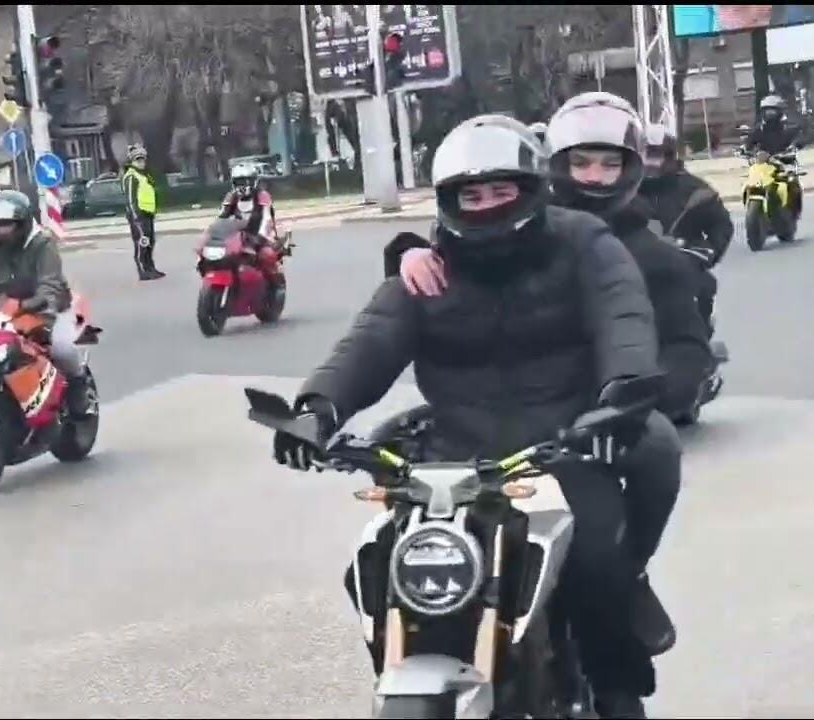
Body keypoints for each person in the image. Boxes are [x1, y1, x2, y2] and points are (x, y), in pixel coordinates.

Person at [277, 114, 666, 717]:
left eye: (500, 190)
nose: (486, 205)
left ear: (532, 189)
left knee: (598, 567)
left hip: (565, 446)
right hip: (455, 458)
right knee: (375, 567)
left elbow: (624, 316)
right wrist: (317, 409)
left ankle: (615, 691)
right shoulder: (427, 269)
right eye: (471, 195)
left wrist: (621, 395)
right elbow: (372, 339)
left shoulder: (584, 243)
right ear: (449, 201)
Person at [391, 96, 706, 631]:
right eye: (580, 162)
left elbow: (687, 348)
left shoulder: (654, 256)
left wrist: (638, 398)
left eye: (609, 164)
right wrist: (408, 251)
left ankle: (630, 574)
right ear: (552, 166)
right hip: (506, 406)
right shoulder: (521, 223)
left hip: (602, 414)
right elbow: (453, 254)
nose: (595, 176)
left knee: (656, 450)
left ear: (632, 168)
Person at [0, 190, 93, 415]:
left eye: (6, 225)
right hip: (7, 311)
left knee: (61, 349)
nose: (0, 231)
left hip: (50, 309)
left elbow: (50, 284)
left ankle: (80, 391)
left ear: (21, 224)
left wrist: (37, 303)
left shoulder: (42, 245)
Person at [639, 123, 731, 333]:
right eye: (646, 154)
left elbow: (721, 224)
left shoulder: (695, 190)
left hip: (682, 262)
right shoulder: (624, 190)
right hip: (633, 265)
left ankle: (698, 340)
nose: (650, 162)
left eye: (656, 155)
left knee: (702, 288)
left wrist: (707, 252)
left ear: (670, 156)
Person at [742, 94, 804, 220]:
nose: (770, 114)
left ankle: (793, 213)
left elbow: (799, 137)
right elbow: (750, 142)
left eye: (773, 111)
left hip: (784, 161)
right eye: (767, 111)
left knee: (793, 183)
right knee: (752, 180)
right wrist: (745, 149)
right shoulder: (759, 129)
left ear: (779, 111)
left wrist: (794, 145)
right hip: (764, 164)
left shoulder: (788, 127)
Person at [217, 164, 283, 283]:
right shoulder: (231, 196)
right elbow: (221, 217)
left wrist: (260, 237)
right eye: (239, 181)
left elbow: (267, 218)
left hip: (262, 234)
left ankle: (276, 284)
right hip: (239, 236)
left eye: (247, 181)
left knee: (267, 255)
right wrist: (216, 234)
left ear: (254, 181)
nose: (243, 185)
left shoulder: (262, 195)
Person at [121, 144, 164, 281]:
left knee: (150, 241)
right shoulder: (131, 176)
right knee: (142, 242)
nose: (141, 163)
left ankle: (150, 267)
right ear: (132, 161)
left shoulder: (144, 175)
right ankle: (143, 270)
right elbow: (130, 199)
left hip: (148, 213)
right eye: (137, 160)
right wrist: (135, 217)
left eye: (142, 160)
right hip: (138, 215)